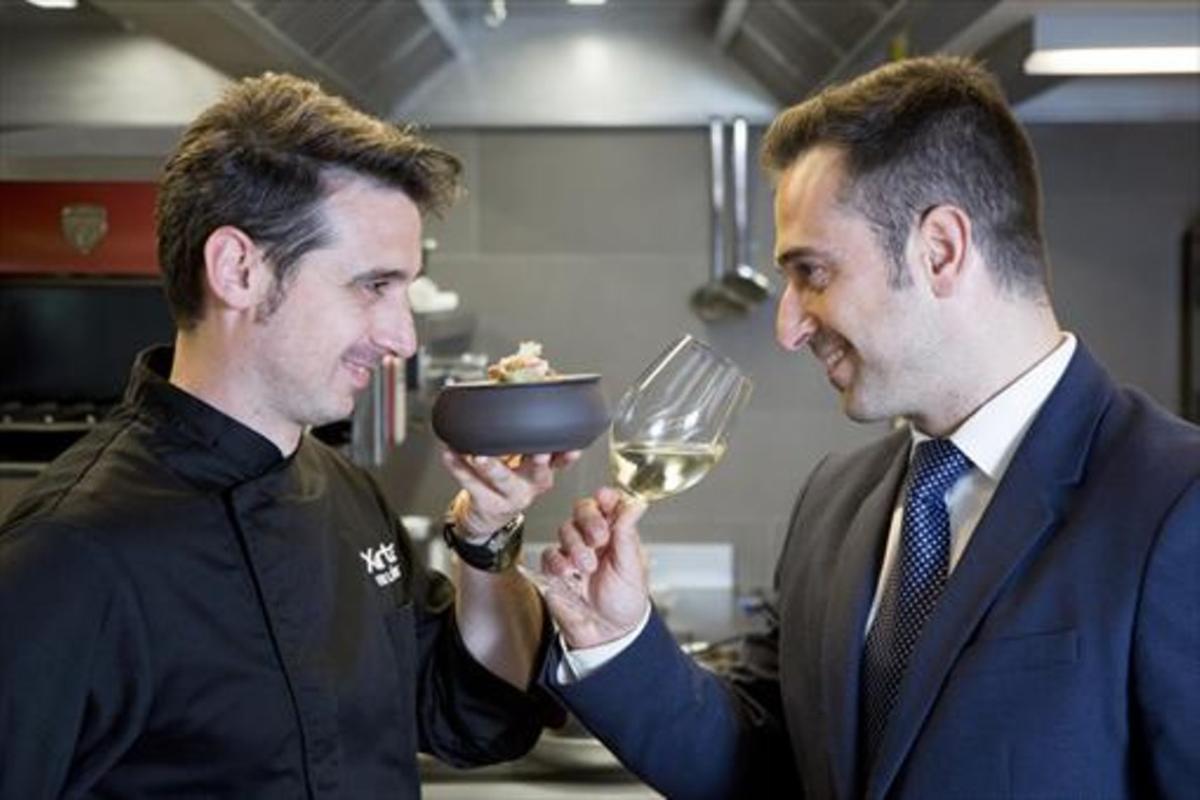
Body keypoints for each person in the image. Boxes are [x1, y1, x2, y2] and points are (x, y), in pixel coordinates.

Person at [536, 56, 1199, 799]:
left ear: (940, 249)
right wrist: (614, 638)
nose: (788, 326)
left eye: (812, 273)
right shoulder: (834, 501)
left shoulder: (1175, 503)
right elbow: (760, 770)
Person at [0, 73, 576, 797]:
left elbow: (473, 718)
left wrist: (489, 535)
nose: (401, 336)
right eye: (373, 286)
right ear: (238, 269)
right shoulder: (71, 556)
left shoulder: (346, 494)